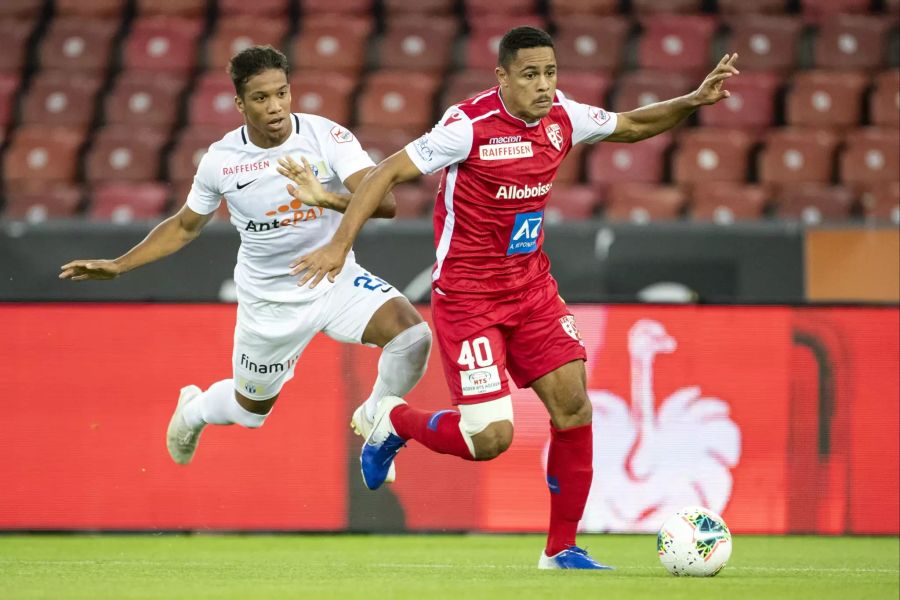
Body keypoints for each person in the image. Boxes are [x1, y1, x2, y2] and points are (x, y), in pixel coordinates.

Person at [283, 26, 740, 569]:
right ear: (502, 76)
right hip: (469, 299)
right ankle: (392, 420)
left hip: (532, 290)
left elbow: (635, 124)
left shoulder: (564, 118)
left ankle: (561, 548)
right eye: (530, 75)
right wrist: (340, 243)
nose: (544, 85)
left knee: (574, 405)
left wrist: (694, 99)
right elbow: (386, 173)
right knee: (490, 438)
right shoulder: (465, 126)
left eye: (550, 72)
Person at [59, 46, 431, 480]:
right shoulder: (221, 161)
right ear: (240, 104)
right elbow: (184, 226)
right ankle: (195, 409)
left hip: (334, 277)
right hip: (269, 301)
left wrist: (325, 197)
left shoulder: (325, 136)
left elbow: (383, 203)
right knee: (251, 411)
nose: (275, 107)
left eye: (282, 93)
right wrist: (119, 266)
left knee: (413, 336)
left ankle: (374, 417)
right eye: (261, 98)